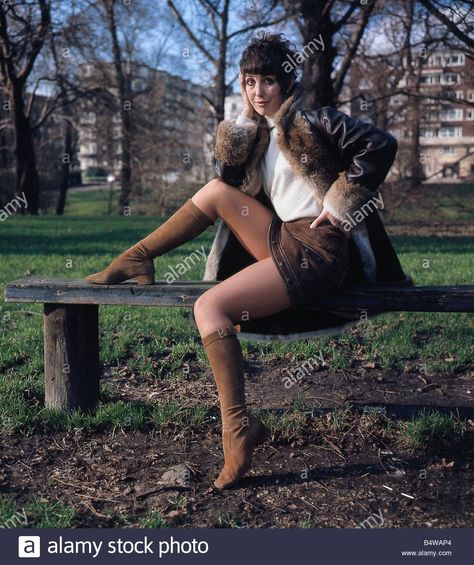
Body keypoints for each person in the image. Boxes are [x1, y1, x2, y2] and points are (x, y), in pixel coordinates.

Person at [85, 32, 411, 489]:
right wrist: (239, 133)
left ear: (287, 83)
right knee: (217, 192)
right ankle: (136, 258)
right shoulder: (260, 134)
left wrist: (339, 206)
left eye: (269, 82)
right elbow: (228, 182)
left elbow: (381, 144)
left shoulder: (314, 121)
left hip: (317, 249)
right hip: (282, 240)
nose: (259, 92)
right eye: (249, 82)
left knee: (208, 308)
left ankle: (238, 430)